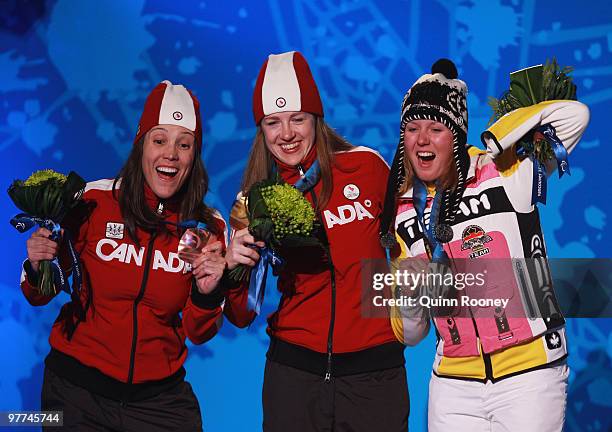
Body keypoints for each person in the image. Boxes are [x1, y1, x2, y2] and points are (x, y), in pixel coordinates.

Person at [380, 59, 589, 431]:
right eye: (412, 129)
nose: (422, 140)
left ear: (457, 136)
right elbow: (411, 335)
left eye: (436, 128)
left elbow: (574, 115)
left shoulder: (504, 171)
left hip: (530, 374)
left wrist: (497, 138)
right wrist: (411, 297)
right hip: (452, 384)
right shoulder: (399, 214)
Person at [21, 80, 227, 431]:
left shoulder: (209, 228)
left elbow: (199, 330)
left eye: (184, 144)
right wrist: (39, 263)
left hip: (158, 403)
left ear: (195, 155)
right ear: (140, 145)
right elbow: (39, 294)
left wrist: (208, 295)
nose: (170, 154)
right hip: (76, 394)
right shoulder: (92, 202)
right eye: (159, 140)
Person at [223, 51, 409, 431]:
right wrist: (233, 266)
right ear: (261, 130)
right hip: (294, 375)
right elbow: (240, 315)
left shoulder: (367, 166)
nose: (287, 134)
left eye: (297, 119)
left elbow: (413, 246)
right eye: (273, 122)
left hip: (374, 373)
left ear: (316, 119)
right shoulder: (255, 198)